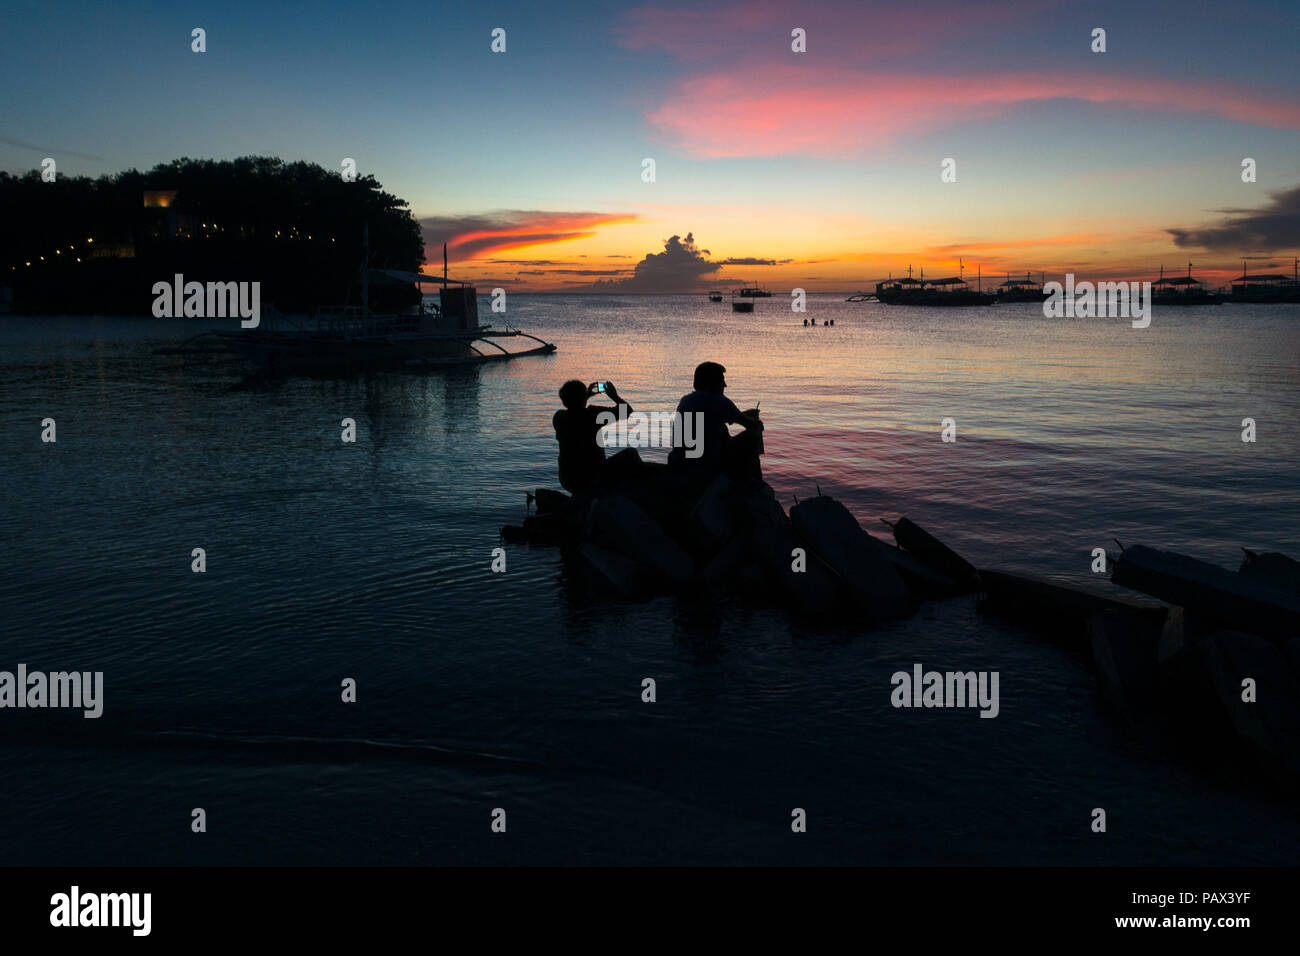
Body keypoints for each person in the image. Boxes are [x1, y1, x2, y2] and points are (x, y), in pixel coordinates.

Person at [668, 361, 763, 485]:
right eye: (721, 380)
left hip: (682, 463)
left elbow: (715, 417)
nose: (725, 385)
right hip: (706, 467)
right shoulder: (718, 400)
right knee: (753, 435)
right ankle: (750, 482)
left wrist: (743, 415)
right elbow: (750, 425)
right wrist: (755, 421)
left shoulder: (686, 400)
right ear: (711, 382)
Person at [552, 379, 638, 497]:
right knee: (630, 453)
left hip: (568, 480)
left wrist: (585, 396)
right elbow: (627, 412)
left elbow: (576, 410)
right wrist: (614, 395)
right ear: (582, 397)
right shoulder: (594, 414)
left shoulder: (559, 417)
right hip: (592, 477)